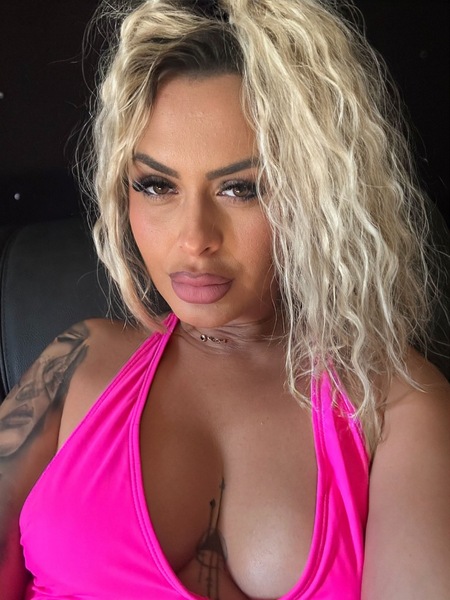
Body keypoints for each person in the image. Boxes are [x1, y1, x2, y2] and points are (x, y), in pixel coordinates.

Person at [1, 0, 449, 598]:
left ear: (321, 199)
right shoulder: (76, 361)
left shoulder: (395, 406)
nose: (194, 239)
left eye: (242, 189)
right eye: (156, 185)